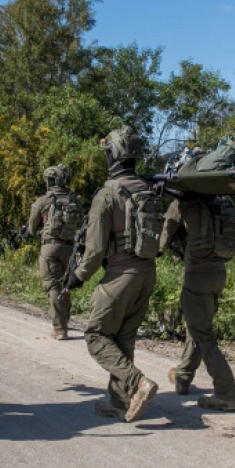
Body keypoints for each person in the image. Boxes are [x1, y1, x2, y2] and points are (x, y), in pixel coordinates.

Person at [65, 126, 161, 422]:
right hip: (147, 273)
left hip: (121, 275)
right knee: (124, 338)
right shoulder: (148, 189)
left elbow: (94, 251)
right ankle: (120, 403)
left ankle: (138, 383)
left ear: (115, 154)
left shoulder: (107, 194)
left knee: (95, 335)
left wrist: (77, 277)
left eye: (108, 152)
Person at [159, 191, 235, 411]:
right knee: (198, 325)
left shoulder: (182, 203)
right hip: (218, 273)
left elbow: (161, 243)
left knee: (203, 334)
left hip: (197, 274)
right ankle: (183, 377)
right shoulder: (220, 199)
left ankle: (226, 393)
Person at [27, 164, 83, 340]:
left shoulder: (43, 200)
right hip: (69, 248)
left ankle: (59, 329)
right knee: (65, 285)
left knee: (52, 285)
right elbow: (81, 220)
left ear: (51, 181)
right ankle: (64, 321)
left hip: (50, 246)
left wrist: (31, 231)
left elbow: (31, 227)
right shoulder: (74, 200)